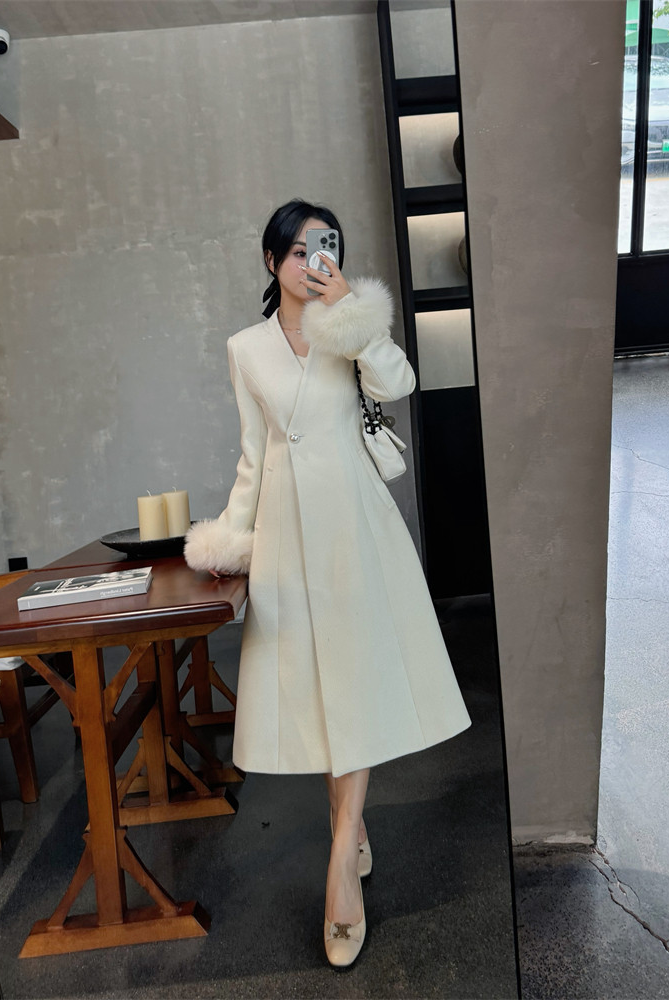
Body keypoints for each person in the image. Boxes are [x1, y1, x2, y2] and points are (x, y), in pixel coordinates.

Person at [184, 198, 472, 967]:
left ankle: (342, 857)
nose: (316, 262)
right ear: (271, 260)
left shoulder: (347, 327)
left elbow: (399, 382)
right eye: (301, 251)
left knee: (352, 677)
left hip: (354, 527)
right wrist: (227, 540)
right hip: (287, 535)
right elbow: (255, 455)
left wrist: (351, 314)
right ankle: (353, 820)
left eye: (328, 248)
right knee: (318, 685)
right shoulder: (246, 348)